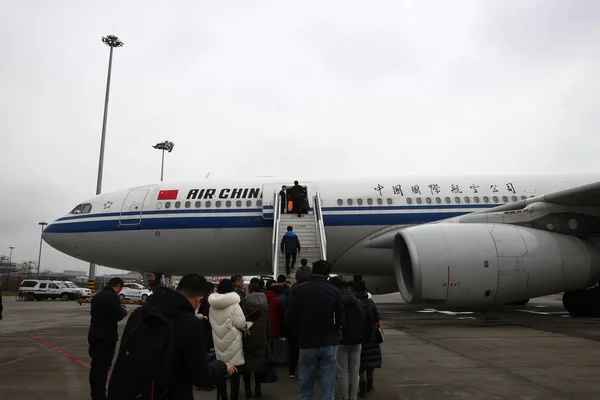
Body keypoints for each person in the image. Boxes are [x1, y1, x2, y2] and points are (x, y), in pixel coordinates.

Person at [107, 274, 235, 400]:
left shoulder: (139, 313)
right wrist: (222, 366)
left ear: (176, 289)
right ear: (199, 300)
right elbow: (201, 377)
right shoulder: (190, 324)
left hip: (130, 391)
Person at [285, 260, 342, 400]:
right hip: (328, 342)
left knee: (305, 387)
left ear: (312, 271)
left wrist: (299, 334)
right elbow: (340, 319)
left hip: (307, 342)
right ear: (328, 275)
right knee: (327, 388)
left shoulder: (298, 290)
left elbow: (289, 317)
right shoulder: (334, 291)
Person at [88, 278, 128, 400]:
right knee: (102, 368)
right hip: (106, 337)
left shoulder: (98, 295)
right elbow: (118, 315)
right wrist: (125, 311)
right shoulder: (112, 297)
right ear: (118, 287)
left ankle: (95, 394)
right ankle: (100, 395)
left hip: (94, 335)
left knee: (95, 367)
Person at [209, 279, 249, 400]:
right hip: (233, 344)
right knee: (235, 375)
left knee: (221, 371)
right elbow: (241, 323)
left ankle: (223, 397)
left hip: (219, 343)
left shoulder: (212, 306)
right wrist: (248, 325)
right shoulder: (234, 305)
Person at [330, 278, 366, 400]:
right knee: (355, 371)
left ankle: (344, 397)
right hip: (357, 340)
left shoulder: (337, 301)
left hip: (342, 340)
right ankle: (353, 396)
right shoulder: (357, 301)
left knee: (342, 371)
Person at [241, 283, 270, 399]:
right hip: (262, 337)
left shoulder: (245, 302)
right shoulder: (265, 303)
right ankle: (258, 389)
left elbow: (242, 320)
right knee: (259, 365)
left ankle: (247, 389)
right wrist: (269, 337)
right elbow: (268, 321)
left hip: (248, 337)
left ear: (250, 290)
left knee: (247, 366)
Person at [354, 280, 382, 397]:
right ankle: (370, 387)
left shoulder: (354, 303)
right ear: (366, 290)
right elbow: (377, 318)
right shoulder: (371, 303)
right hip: (371, 338)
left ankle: (362, 389)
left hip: (359, 337)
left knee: (361, 366)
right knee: (370, 365)